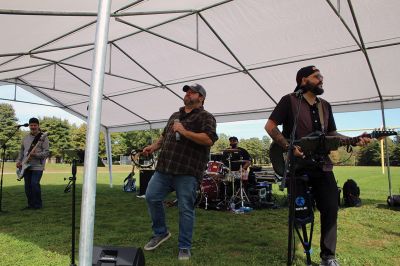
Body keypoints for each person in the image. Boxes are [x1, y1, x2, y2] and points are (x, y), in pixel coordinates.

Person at [265, 66, 370, 266]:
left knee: (331, 209)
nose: (322, 79)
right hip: (297, 166)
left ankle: (328, 257)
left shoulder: (326, 106)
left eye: (321, 76)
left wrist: (354, 140)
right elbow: (270, 126)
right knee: (301, 214)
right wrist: (288, 147)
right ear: (304, 80)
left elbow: (333, 135)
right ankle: (303, 252)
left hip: (322, 166)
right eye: (317, 76)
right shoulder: (289, 100)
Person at [142, 83, 218, 260]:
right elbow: (164, 137)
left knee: (185, 209)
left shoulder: (206, 117)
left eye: (193, 92)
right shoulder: (174, 116)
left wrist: (184, 131)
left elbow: (208, 139)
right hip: (164, 169)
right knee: (151, 197)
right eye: (187, 92)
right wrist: (152, 147)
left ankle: (184, 246)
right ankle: (161, 233)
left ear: (201, 98)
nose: (188, 94)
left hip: (187, 171)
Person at [16, 117, 50, 210]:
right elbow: (22, 151)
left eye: (35, 125)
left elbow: (47, 152)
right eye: (31, 125)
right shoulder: (25, 137)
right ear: (29, 126)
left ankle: (38, 205)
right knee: (27, 186)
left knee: (34, 184)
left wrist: (36, 154)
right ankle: (30, 204)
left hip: (38, 166)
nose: (33, 127)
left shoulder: (43, 137)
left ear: (38, 126)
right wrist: (19, 161)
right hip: (25, 165)